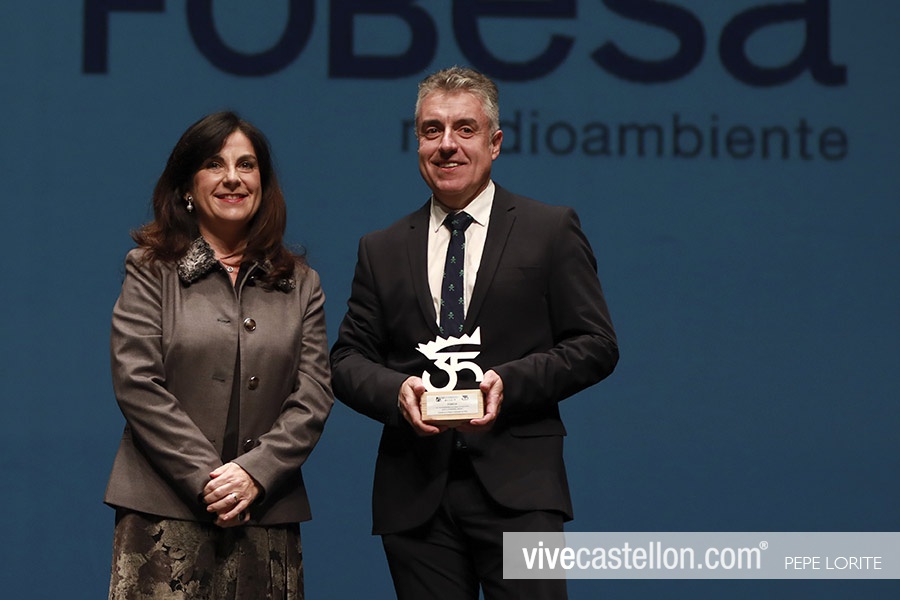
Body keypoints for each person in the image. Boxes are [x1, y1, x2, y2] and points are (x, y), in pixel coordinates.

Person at [330, 66, 619, 599]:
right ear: (417, 142)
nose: (447, 144)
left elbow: (596, 344)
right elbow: (347, 359)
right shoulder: (381, 248)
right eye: (432, 130)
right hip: (416, 495)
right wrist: (397, 391)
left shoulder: (550, 230)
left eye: (465, 128)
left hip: (520, 488)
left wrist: (510, 383)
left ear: (495, 142)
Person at [105, 111, 333, 600]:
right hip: (163, 514)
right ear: (188, 186)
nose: (233, 178)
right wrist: (209, 481)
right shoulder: (151, 269)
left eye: (246, 165)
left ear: (263, 184)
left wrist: (255, 473)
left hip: (264, 512)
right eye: (214, 164)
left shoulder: (301, 282)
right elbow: (137, 382)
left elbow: (314, 395)